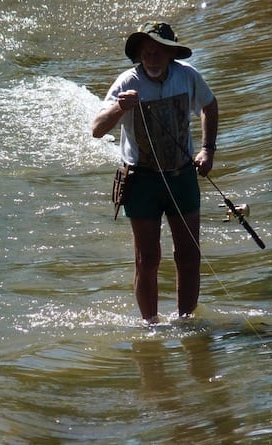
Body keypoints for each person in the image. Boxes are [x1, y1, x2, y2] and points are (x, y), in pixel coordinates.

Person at [92, 21, 218, 323]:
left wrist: (207, 150)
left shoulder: (187, 76)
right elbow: (97, 129)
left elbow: (209, 107)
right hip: (141, 181)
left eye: (159, 51)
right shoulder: (126, 82)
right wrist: (119, 109)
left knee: (189, 255)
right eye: (147, 52)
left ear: (171, 53)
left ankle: (186, 321)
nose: (152, 58)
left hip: (182, 176)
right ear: (139, 54)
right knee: (147, 259)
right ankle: (150, 325)